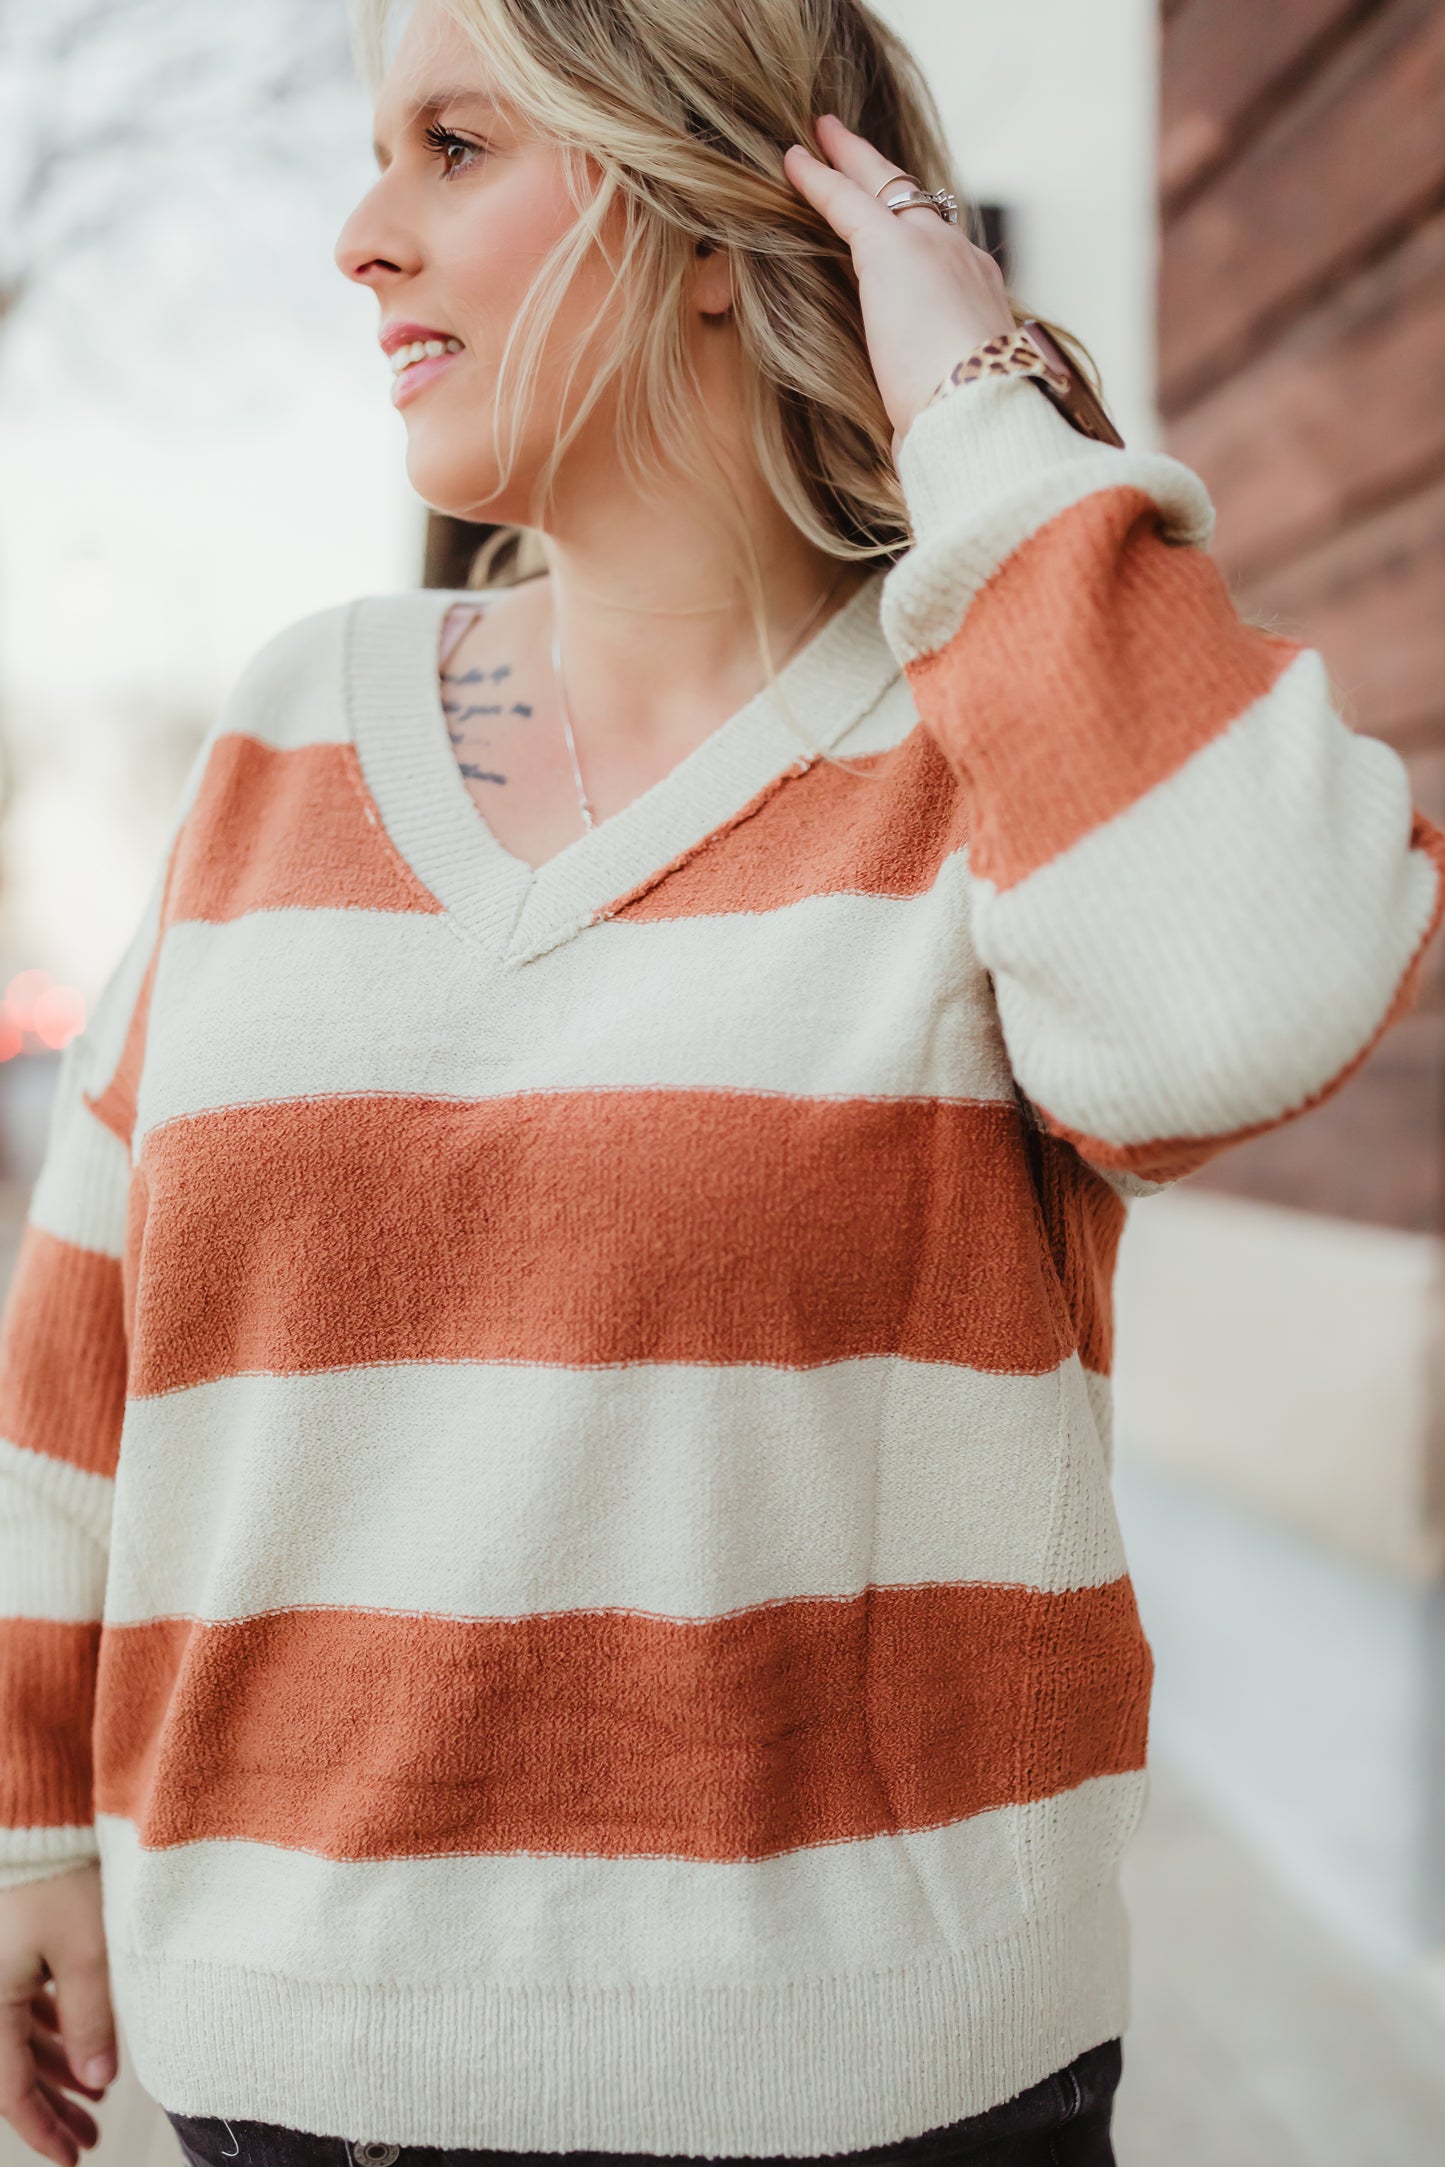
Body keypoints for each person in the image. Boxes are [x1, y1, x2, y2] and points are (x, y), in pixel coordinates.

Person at [0, 0, 1441, 2162]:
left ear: (713, 219)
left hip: (882, 2103)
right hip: (276, 2086)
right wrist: (27, 1829)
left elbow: (1249, 1000)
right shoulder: (296, 721)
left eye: (456, 147)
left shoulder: (994, 731)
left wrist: (974, 402)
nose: (358, 236)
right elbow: (83, 1350)